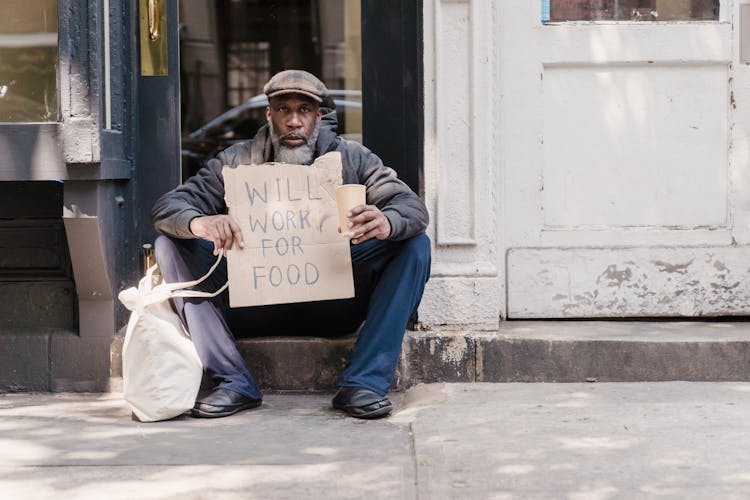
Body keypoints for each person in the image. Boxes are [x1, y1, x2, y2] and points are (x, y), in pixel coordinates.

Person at [151, 70, 431, 419]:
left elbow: (412, 208)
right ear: (269, 115)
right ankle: (233, 381)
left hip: (332, 302)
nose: (294, 121)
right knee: (170, 244)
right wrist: (199, 222)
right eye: (283, 110)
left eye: (304, 110)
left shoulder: (353, 158)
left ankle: (364, 383)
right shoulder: (236, 160)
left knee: (414, 244)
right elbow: (167, 208)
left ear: (318, 116)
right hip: (252, 305)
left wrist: (386, 222)